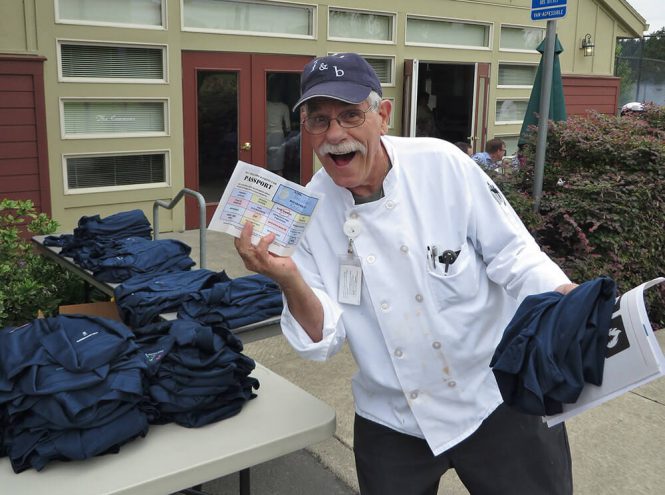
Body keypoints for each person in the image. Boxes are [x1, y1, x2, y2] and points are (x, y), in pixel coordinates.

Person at [234, 53, 577, 495]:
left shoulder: (442, 165)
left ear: (383, 115)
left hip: (492, 395)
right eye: (319, 120)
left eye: (350, 115)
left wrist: (566, 296)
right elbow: (324, 338)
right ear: (306, 130)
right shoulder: (309, 213)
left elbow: (512, 253)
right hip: (391, 417)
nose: (335, 134)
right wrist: (288, 277)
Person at [266, 84, 292, 175]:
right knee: (278, 161)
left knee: (265, 161)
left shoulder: (265, 105)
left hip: (265, 134)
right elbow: (288, 126)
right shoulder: (284, 107)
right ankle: (279, 183)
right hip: (278, 135)